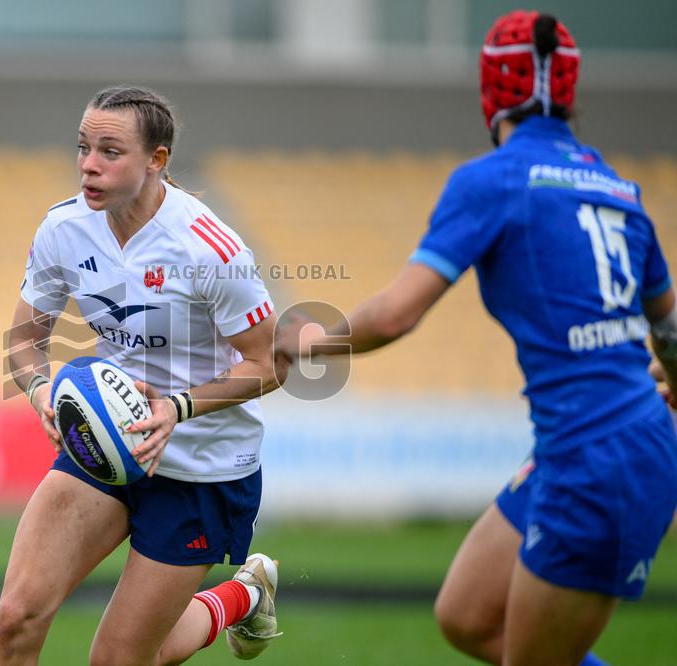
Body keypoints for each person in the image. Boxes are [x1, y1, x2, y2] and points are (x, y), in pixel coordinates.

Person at [276, 11, 677, 666]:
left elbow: (398, 313)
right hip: (595, 444)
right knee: (466, 614)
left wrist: (312, 343)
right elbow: (670, 328)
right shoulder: (619, 192)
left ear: (492, 91)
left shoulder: (492, 180)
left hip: (596, 459)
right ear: (571, 93)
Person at [0, 85, 289, 665]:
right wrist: (42, 390)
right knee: (16, 618)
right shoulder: (64, 230)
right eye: (83, 148)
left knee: (121, 661)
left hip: (202, 467)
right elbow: (25, 343)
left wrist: (175, 409)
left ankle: (242, 595)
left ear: (157, 160)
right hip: (104, 442)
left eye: (109, 151)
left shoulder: (209, 248)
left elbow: (270, 362)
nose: (88, 165)